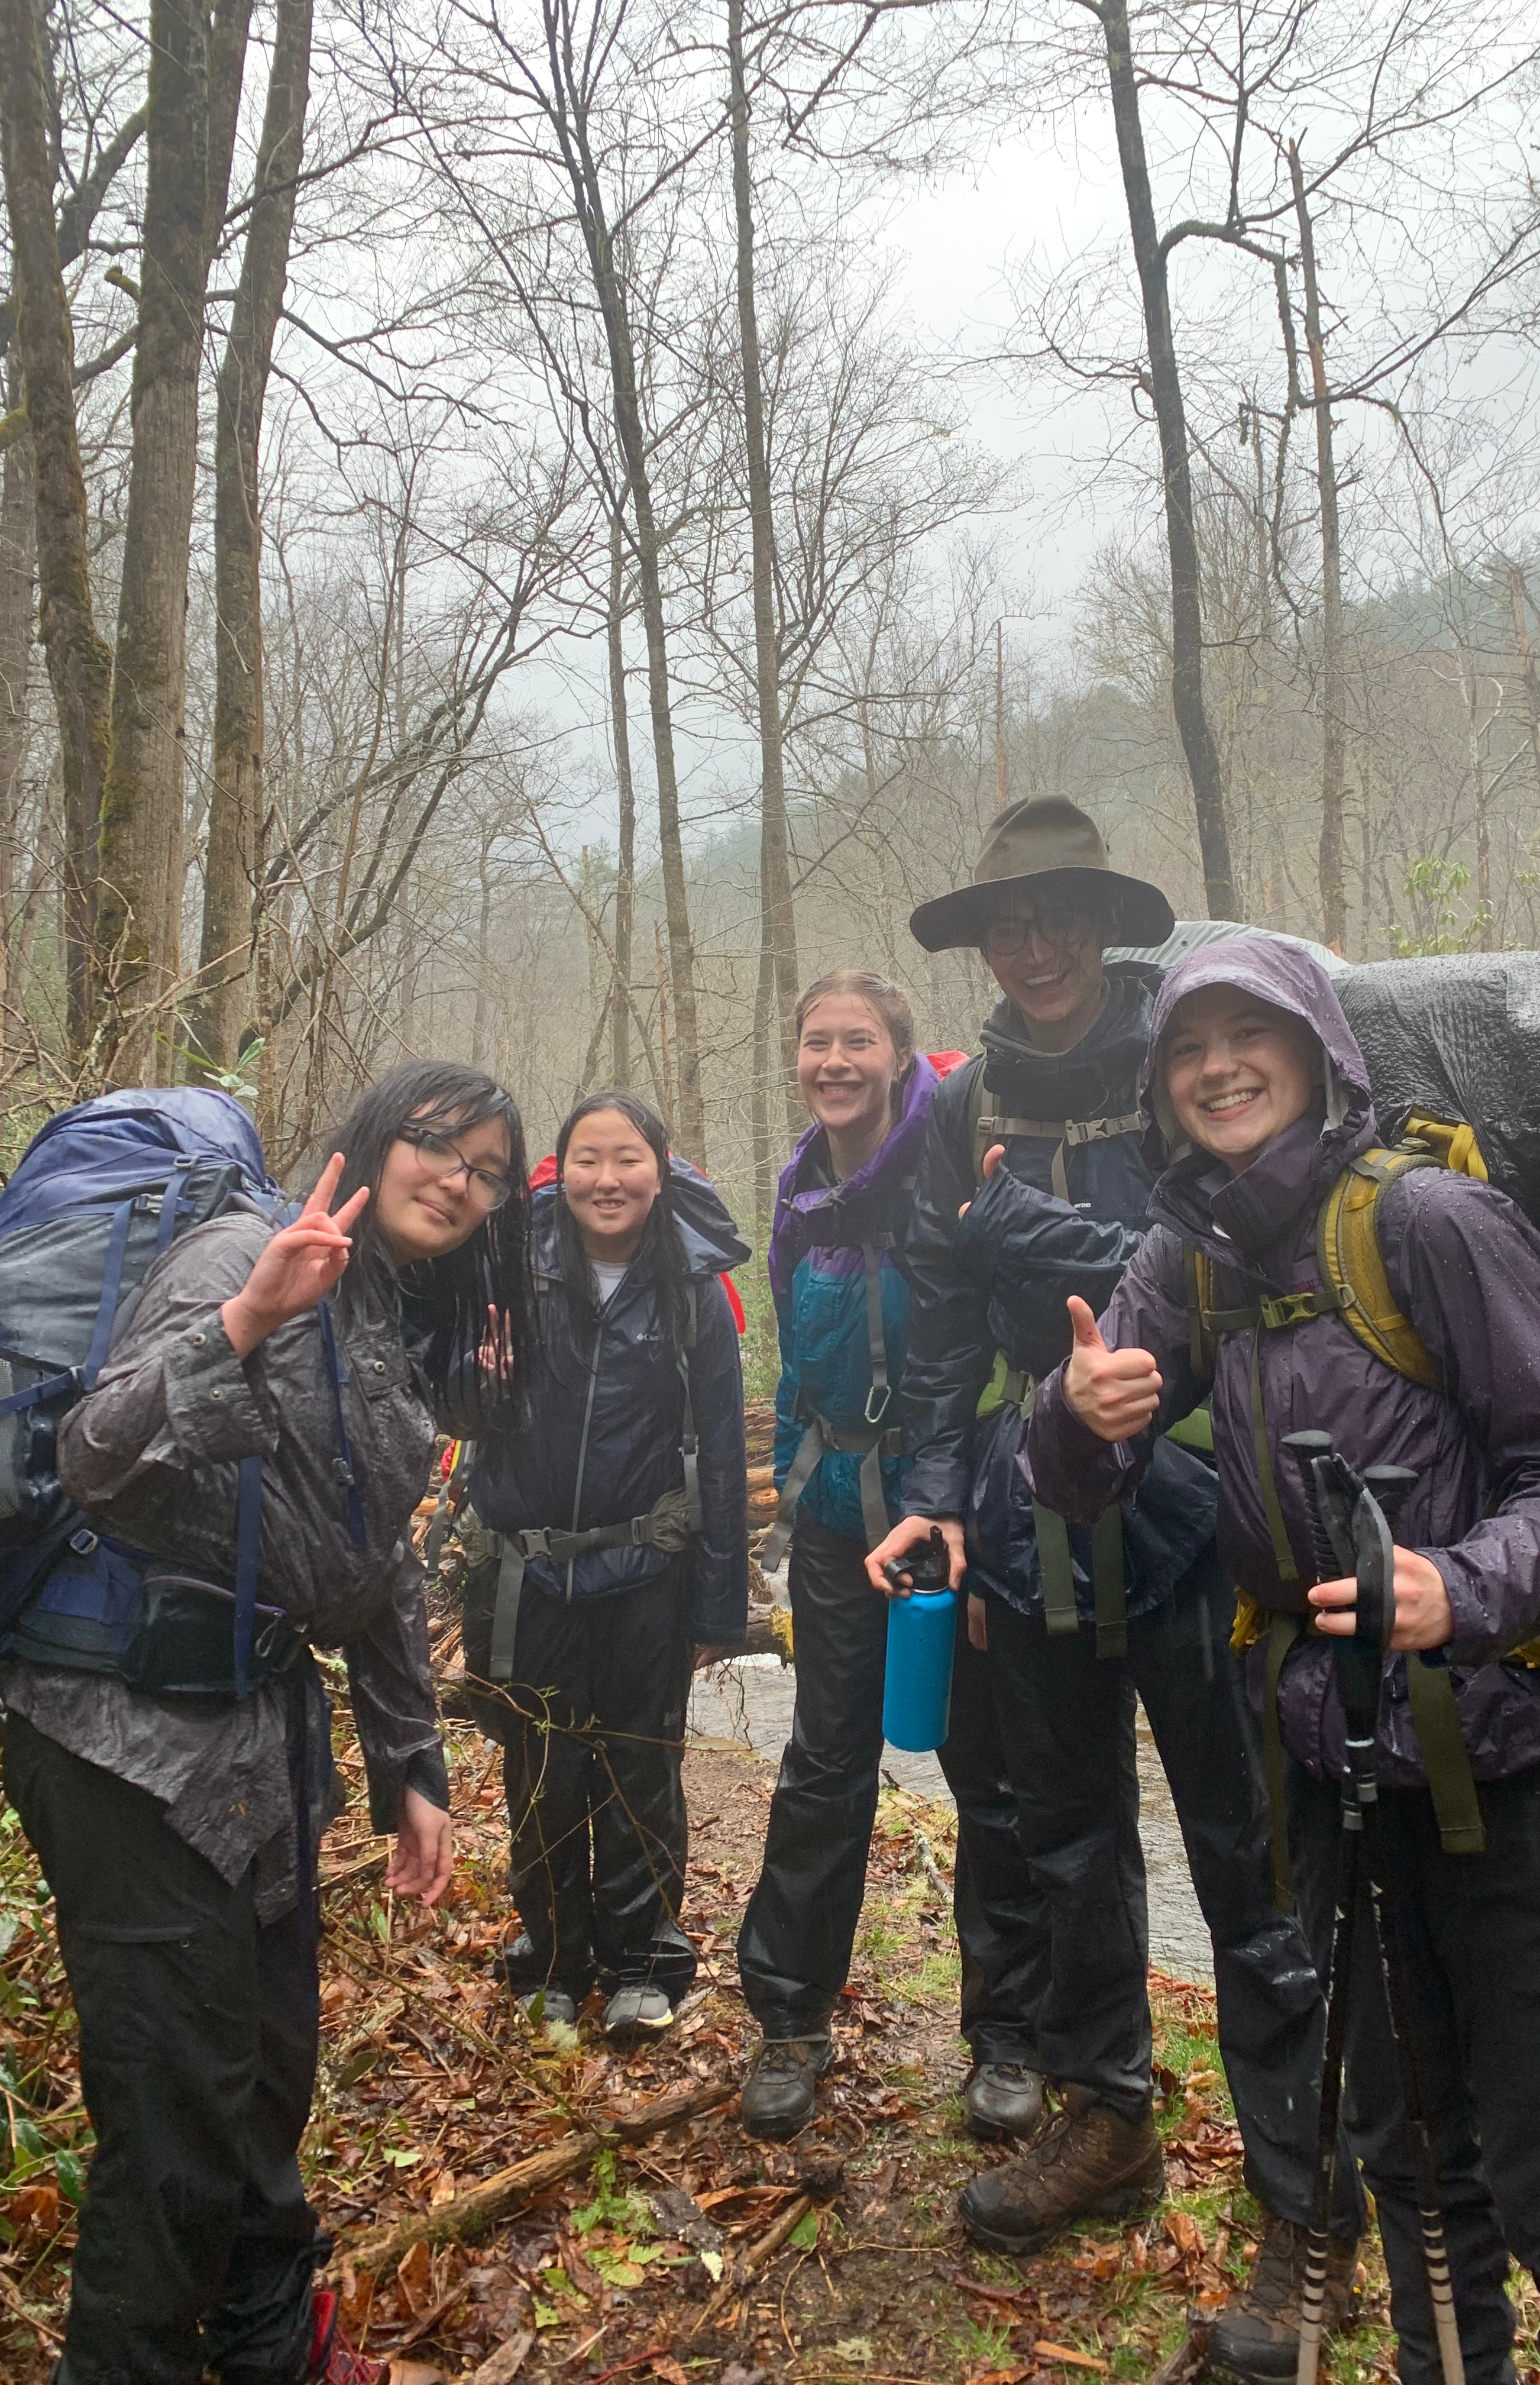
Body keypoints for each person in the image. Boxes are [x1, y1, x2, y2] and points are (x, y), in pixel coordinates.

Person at [1025, 935, 1540, 2384]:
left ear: (1321, 1052)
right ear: (1162, 1086)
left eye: (1251, 1035)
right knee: (1416, 2174)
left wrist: (1461, 1585)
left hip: (1516, 1773)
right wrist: (1080, 1417)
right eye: (1189, 1050)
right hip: (1332, 1773)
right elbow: (1072, 1481)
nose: (1218, 1068)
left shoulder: (1431, 1225)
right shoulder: (1184, 1254)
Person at [865, 799, 1358, 2338]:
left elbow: (1227, 1254)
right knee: (1064, 1829)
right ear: (986, 944)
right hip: (1034, 1493)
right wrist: (941, 1494)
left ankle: (1304, 2211)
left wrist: (1034, 1230)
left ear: (1100, 924)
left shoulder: (1189, 1060)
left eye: (1059, 915)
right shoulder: (959, 1102)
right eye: (1010, 923)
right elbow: (938, 1311)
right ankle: (1110, 2116)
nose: (1035, 943)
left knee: (1251, 1849)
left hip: (1208, 1485)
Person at [0, 1059, 536, 2385]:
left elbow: (371, 1557)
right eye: (436, 1146)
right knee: (176, 2120)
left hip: (248, 1738)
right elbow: (94, 1450)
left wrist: (409, 1756)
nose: (456, 1181)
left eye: (484, 1170)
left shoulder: (388, 1313)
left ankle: (268, 2349)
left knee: (266, 2078)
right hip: (115, 1730)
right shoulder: (247, 1252)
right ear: (376, 1137)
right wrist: (240, 1320)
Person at [736, 971, 1050, 2142]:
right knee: (826, 1758)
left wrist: (979, 1490)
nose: (833, 1061)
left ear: (899, 1052)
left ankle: (1010, 2039)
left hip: (961, 1509)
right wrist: (789, 1494)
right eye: (816, 1041)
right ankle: (790, 2020)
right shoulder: (799, 1185)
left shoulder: (957, 1152)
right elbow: (795, 1351)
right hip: (834, 1514)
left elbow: (1005, 1329)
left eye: (855, 1040)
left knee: (987, 1767)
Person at [467, 1091, 748, 2046]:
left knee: (639, 1771)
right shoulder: (508, 1272)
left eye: (626, 1159)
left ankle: (641, 1961)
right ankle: (552, 1957)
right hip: (528, 1575)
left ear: (660, 1169)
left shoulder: (694, 1293)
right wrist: (477, 1376)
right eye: (587, 1159)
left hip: (647, 1575)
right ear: (559, 1171)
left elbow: (719, 1449)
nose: (607, 1179)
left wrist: (719, 1602)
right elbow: (458, 1408)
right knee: (541, 1770)